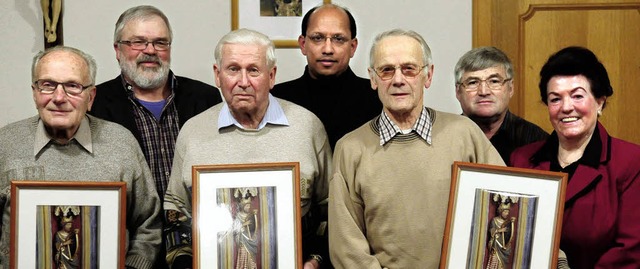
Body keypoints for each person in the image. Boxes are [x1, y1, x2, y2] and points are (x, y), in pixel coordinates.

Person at [328, 29, 504, 268]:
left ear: (428, 75)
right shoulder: (350, 149)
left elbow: (508, 204)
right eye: (386, 70)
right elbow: (346, 247)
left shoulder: (465, 133)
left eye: (409, 69)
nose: (398, 79)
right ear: (373, 78)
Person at [163, 28, 332, 269]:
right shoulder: (193, 132)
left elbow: (331, 208)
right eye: (233, 69)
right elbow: (176, 210)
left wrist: (316, 260)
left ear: (272, 76)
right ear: (217, 75)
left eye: (253, 70)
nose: (243, 82)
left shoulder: (307, 127)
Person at [0, 46, 162, 268]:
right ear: (35, 92)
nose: (59, 97)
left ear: (91, 97)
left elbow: (148, 224)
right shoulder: (5, 143)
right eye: (47, 85)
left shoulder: (121, 143)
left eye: (73, 87)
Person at [510, 46, 640, 268]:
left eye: (577, 96)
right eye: (555, 99)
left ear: (600, 102)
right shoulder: (521, 160)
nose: (566, 107)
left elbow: (630, 250)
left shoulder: (631, 161)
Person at [89, 5, 223, 199]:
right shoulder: (95, 103)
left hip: (194, 222)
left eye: (160, 43)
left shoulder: (206, 97)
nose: (150, 50)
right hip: (130, 225)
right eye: (138, 42)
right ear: (118, 50)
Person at [271, 3, 382, 151]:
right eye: (318, 38)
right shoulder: (277, 100)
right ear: (303, 44)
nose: (328, 49)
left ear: (352, 47)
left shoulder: (378, 97)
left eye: (338, 39)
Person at [455, 46, 548, 164]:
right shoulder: (443, 139)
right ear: (458, 92)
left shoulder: (538, 142)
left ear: (510, 88)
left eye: (494, 81)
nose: (484, 91)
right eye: (473, 83)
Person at [486, 197, 516, 269]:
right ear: (500, 211)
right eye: (505, 212)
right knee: (494, 261)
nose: (507, 214)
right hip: (496, 246)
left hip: (503, 247)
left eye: (508, 212)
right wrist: (499, 230)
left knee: (501, 265)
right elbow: (492, 231)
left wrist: (511, 223)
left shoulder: (507, 223)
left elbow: (509, 236)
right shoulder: (495, 220)